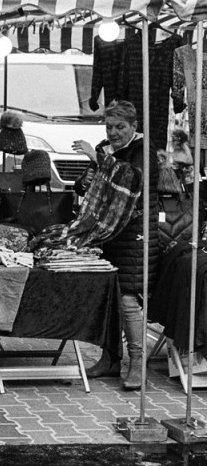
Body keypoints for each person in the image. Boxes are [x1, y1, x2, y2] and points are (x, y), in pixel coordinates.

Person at [72, 100, 160, 390]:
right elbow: (90, 186)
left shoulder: (143, 150)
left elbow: (132, 179)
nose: (113, 133)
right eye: (109, 126)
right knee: (109, 296)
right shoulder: (105, 149)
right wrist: (85, 181)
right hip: (107, 234)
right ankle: (110, 359)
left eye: (120, 127)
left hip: (135, 233)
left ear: (134, 126)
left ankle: (138, 364)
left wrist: (97, 159)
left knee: (128, 299)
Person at [169, 128, 195, 193]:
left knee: (188, 188)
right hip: (182, 170)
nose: (173, 141)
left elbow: (188, 159)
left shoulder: (183, 146)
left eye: (175, 139)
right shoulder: (178, 147)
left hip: (185, 169)